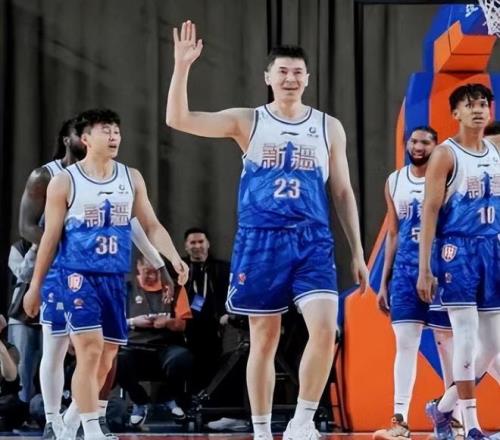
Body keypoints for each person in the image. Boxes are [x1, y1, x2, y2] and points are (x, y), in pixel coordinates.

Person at [166, 21, 368, 440]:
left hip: (312, 239)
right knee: (264, 338)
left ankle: (301, 422)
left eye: (297, 72)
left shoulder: (329, 126)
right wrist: (182, 66)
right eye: (283, 71)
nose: (290, 78)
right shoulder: (249, 121)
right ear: (268, 77)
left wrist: (357, 251)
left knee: (325, 330)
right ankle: (261, 431)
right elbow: (178, 119)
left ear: (307, 78)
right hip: (262, 240)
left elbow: (343, 191)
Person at [23, 108, 189, 440]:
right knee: (88, 349)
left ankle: (70, 422)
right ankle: (87, 427)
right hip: (76, 275)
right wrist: (35, 285)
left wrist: (171, 259)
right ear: (85, 139)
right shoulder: (64, 181)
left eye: (116, 131)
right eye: (105, 130)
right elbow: (50, 238)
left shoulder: (131, 177)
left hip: (113, 278)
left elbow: (150, 225)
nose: (114, 136)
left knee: (107, 356)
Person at [417, 84, 500, 440]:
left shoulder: (495, 152)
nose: (478, 110)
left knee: (492, 346)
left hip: (491, 249)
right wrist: (424, 268)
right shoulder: (445, 155)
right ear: (456, 113)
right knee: (465, 334)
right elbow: (429, 210)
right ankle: (472, 426)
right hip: (456, 251)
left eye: (483, 104)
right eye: (470, 105)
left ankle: (442, 407)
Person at [374, 127, 456, 440]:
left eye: (425, 142)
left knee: (447, 345)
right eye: (414, 141)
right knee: (405, 344)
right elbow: (393, 233)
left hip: (440, 270)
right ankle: (400, 420)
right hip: (405, 272)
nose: (418, 146)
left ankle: (452, 418)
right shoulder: (394, 181)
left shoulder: (447, 179)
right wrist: (384, 280)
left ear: (436, 147)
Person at [117, 255, 192, 427]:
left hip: (166, 346)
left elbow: (182, 325)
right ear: (138, 267)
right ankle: (139, 401)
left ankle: (167, 397)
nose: (151, 276)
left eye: (155, 272)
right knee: (117, 360)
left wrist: (167, 322)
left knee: (182, 358)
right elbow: (110, 321)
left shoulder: (176, 288)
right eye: (147, 272)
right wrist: (133, 321)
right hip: (134, 347)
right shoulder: (125, 288)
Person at [183, 227, 230, 392]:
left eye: (201, 241)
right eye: (193, 242)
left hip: (215, 325)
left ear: (208, 243)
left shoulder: (222, 268)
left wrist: (224, 314)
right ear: (186, 246)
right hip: (186, 326)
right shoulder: (179, 268)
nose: (197, 246)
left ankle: (212, 400)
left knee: (214, 364)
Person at [0, 314, 27, 431]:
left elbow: (11, 376)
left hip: (5, 400)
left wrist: (2, 350)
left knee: (15, 406)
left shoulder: (10, 349)